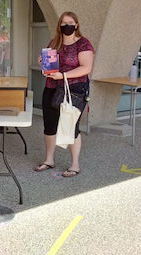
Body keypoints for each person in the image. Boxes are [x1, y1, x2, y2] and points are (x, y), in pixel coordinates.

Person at [34, 11, 94, 177]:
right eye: (63, 23)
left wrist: (63, 75)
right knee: (50, 125)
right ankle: (49, 160)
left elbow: (86, 68)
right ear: (59, 26)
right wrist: (43, 62)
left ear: (76, 25)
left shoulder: (83, 44)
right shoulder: (55, 42)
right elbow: (48, 61)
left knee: (71, 126)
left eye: (70, 22)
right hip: (52, 87)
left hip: (73, 90)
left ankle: (75, 164)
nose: (66, 25)